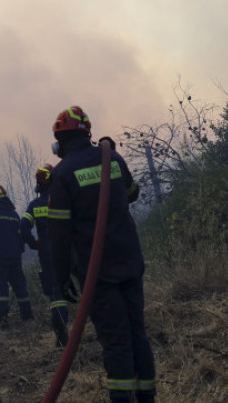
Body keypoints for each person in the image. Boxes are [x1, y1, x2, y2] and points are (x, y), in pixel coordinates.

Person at [47, 106, 156, 403]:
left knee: (116, 341)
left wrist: (61, 276)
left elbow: (58, 235)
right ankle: (147, 398)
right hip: (130, 263)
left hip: (99, 275)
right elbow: (132, 193)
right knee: (137, 334)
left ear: (61, 140)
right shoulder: (113, 158)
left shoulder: (63, 174)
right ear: (88, 134)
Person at [21, 163, 70, 346]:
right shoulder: (64, 198)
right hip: (70, 248)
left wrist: (34, 243)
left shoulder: (34, 206)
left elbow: (23, 227)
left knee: (55, 291)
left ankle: (61, 329)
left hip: (48, 252)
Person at [0, 183, 33, 328]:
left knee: (1, 288)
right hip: (15, 258)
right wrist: (19, 251)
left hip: (0, 258)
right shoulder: (14, 214)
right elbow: (20, 236)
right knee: (20, 287)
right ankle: (27, 317)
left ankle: (3, 320)